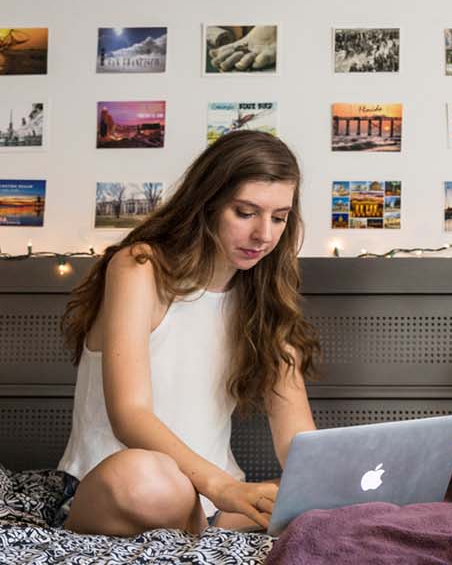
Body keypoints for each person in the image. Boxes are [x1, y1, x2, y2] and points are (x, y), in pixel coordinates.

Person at [56, 130, 320, 536]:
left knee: (310, 497)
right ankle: (203, 532)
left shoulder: (264, 302)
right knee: (148, 474)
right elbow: (130, 417)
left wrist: (334, 484)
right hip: (118, 488)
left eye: (279, 218)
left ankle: (198, 531)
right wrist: (223, 487)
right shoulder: (138, 267)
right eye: (246, 213)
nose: (264, 235)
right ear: (207, 204)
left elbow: (298, 444)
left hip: (220, 501)